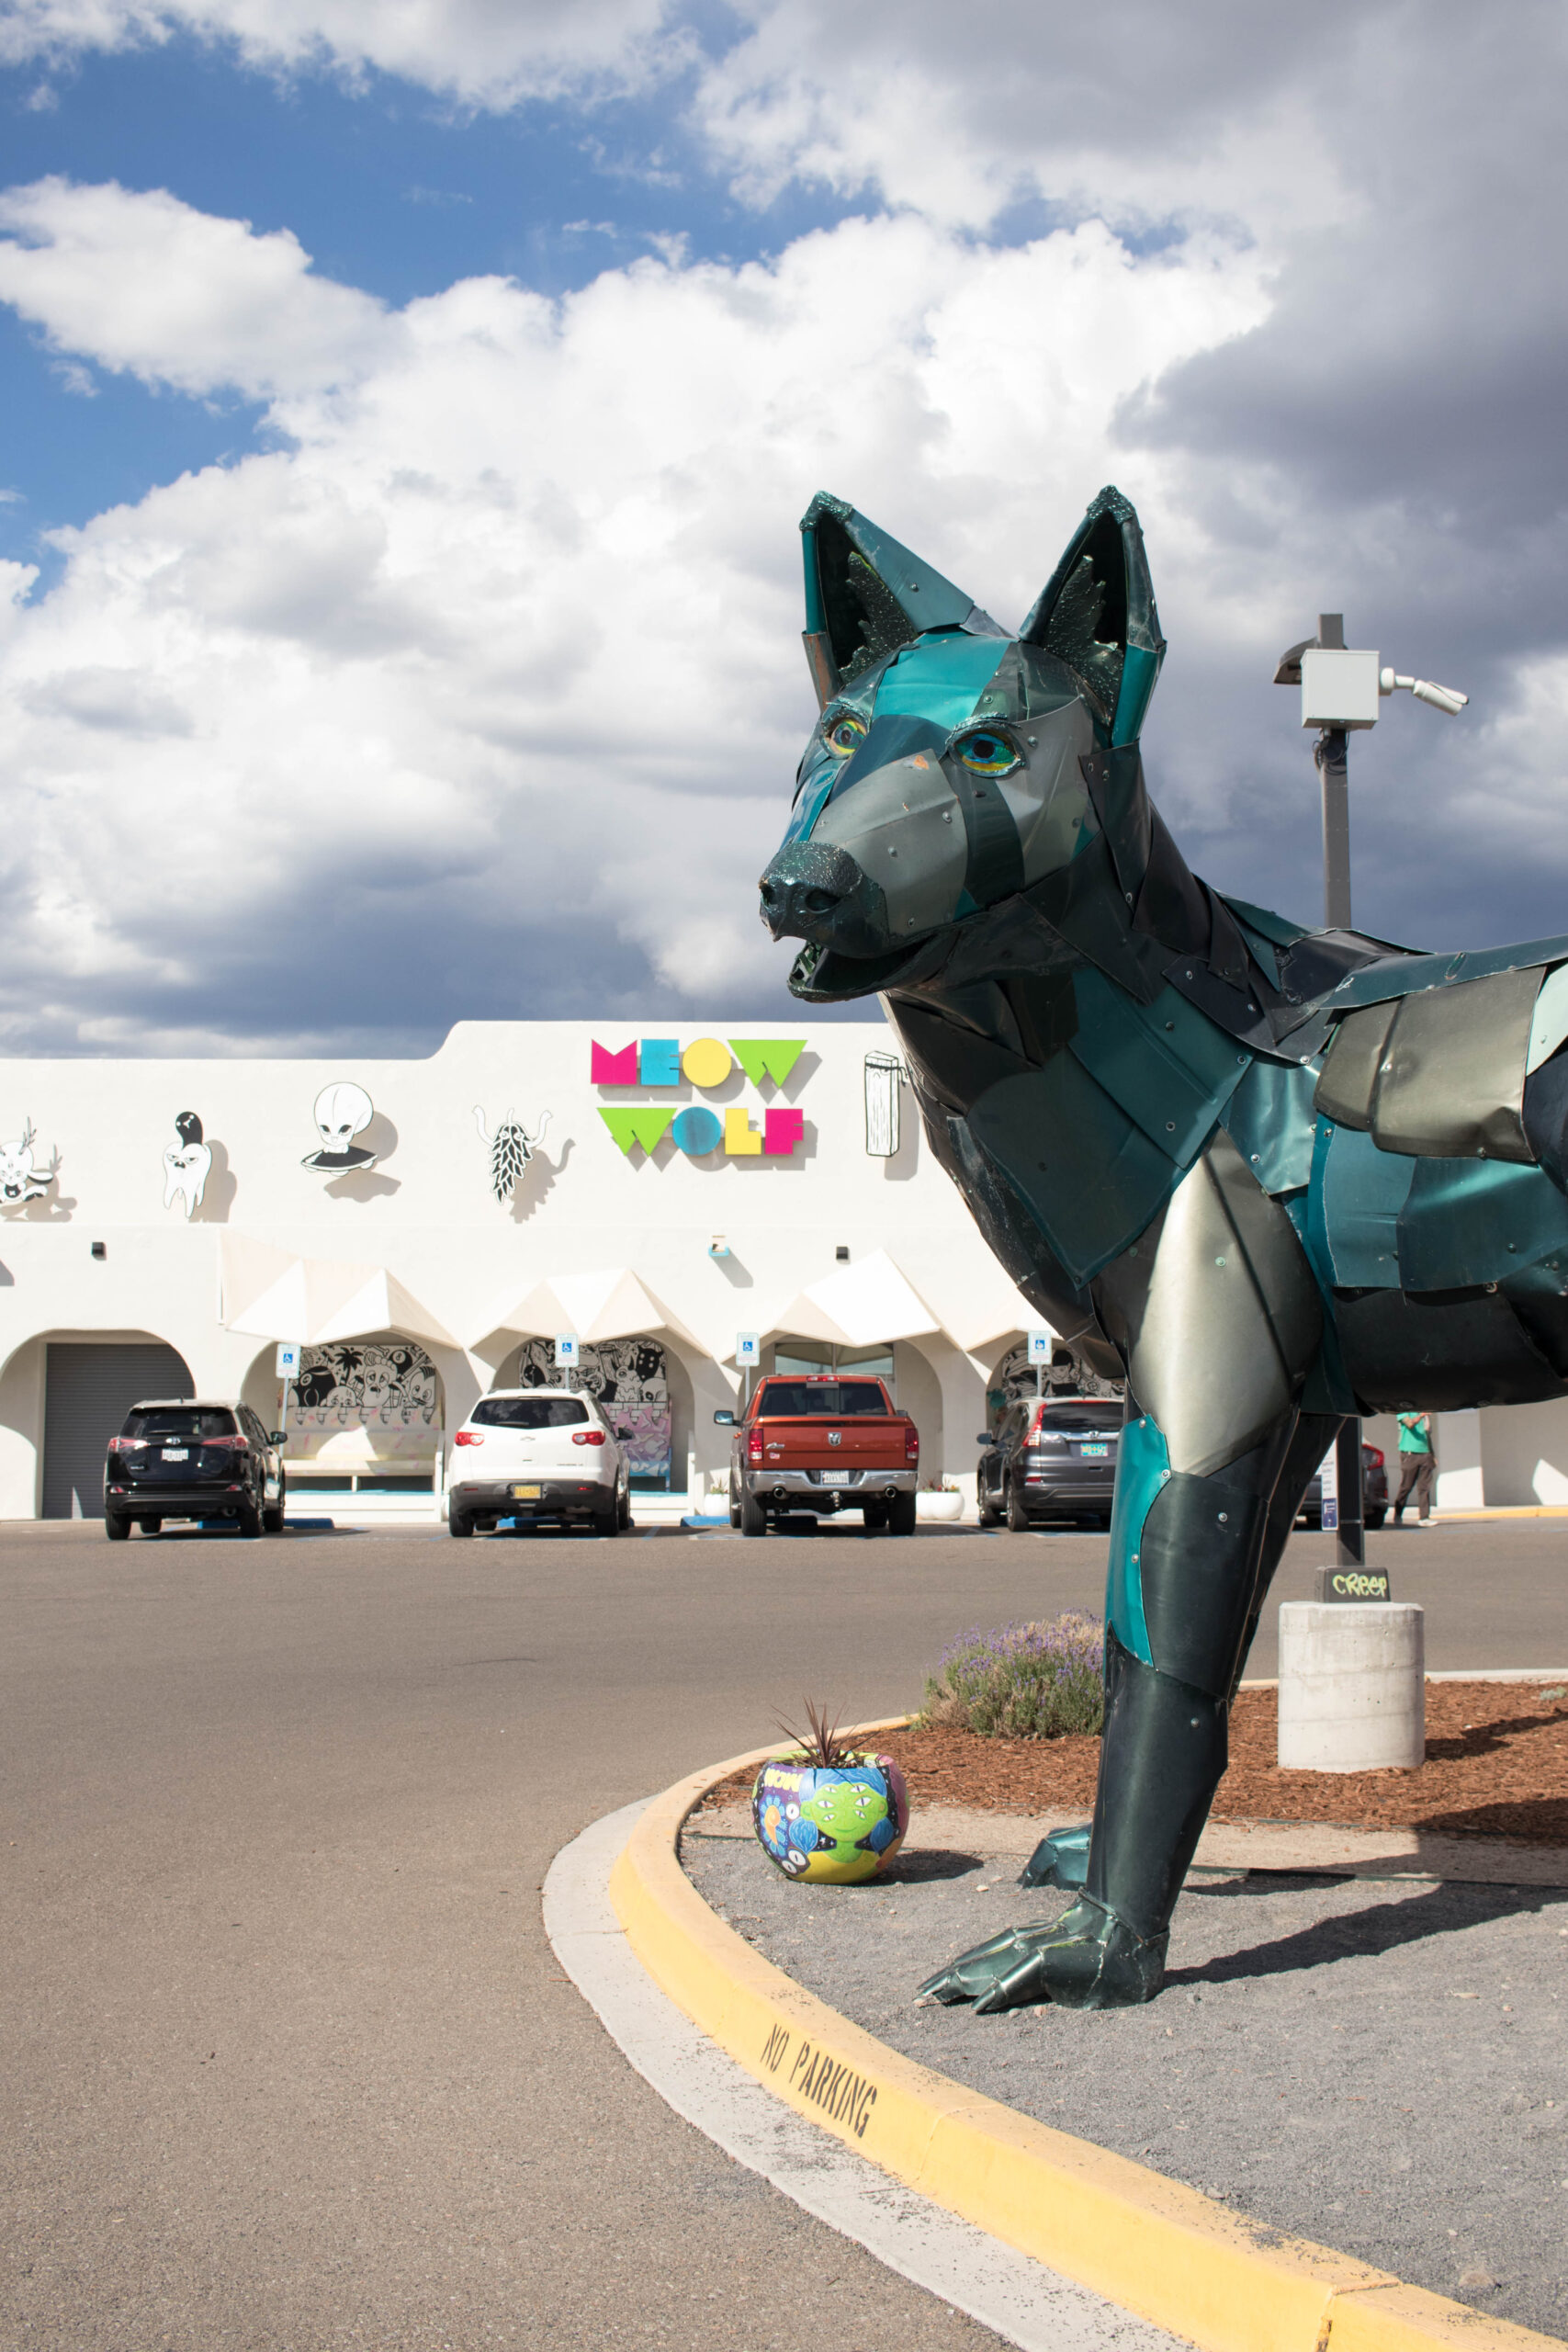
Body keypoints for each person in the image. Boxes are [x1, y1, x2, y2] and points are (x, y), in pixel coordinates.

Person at [1393, 1410, 1436, 1525]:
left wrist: (1432, 1455)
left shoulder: (1425, 1416)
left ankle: (1424, 1517)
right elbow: (1410, 1424)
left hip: (1425, 1454)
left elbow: (1427, 1435)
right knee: (1406, 1486)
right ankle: (1398, 1513)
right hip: (1410, 1454)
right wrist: (1421, 1415)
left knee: (1424, 1487)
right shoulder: (1403, 1412)